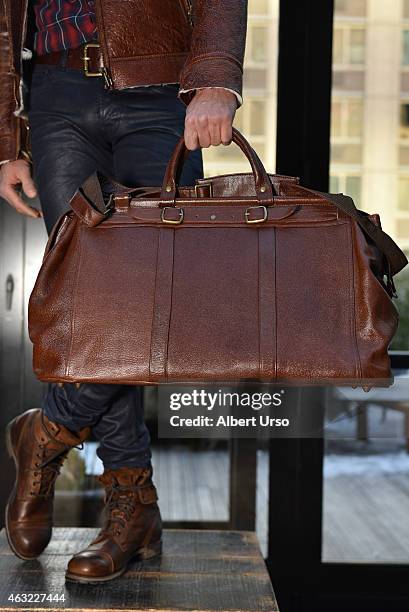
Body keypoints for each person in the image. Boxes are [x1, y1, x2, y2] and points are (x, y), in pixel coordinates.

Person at [0, 0, 248, 584]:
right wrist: (8, 137)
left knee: (143, 303)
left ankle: (45, 434)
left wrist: (214, 78)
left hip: (159, 89)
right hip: (54, 94)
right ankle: (134, 506)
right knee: (92, 311)